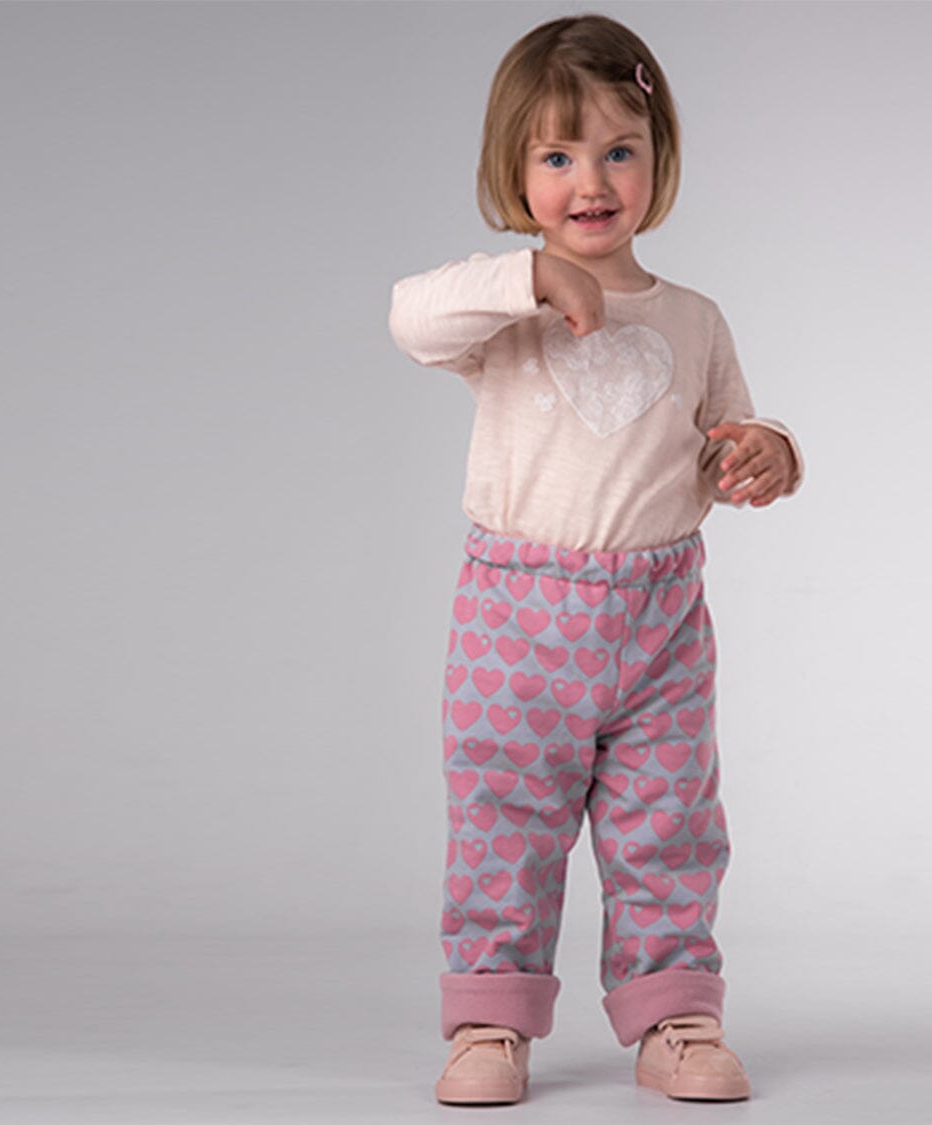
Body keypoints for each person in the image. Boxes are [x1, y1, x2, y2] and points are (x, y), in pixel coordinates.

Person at [388, 11, 804, 1107]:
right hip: (517, 621)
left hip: (661, 624)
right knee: (504, 823)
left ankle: (676, 1016)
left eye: (619, 150)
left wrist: (765, 451)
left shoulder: (694, 319)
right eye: (558, 157)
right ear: (514, 172)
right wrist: (528, 278)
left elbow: (728, 432)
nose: (591, 181)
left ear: (658, 159)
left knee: (670, 826)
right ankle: (489, 1020)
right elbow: (410, 319)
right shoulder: (503, 311)